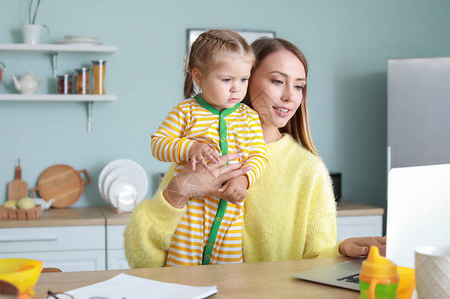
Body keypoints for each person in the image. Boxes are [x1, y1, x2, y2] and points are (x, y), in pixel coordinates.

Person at [124, 37, 386, 269]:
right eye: (277, 81)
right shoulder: (201, 150)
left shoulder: (309, 170)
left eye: (299, 86)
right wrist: (175, 193)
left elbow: (316, 261)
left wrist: (340, 251)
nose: (289, 97)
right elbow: (142, 261)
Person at [150, 30, 268, 266]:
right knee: (182, 277)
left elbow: (259, 155)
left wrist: (245, 179)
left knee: (229, 280)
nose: (237, 88)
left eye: (243, 80)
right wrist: (190, 147)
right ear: (198, 76)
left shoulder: (249, 118)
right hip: (190, 214)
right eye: (227, 80)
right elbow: (158, 143)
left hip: (230, 216)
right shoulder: (186, 112)